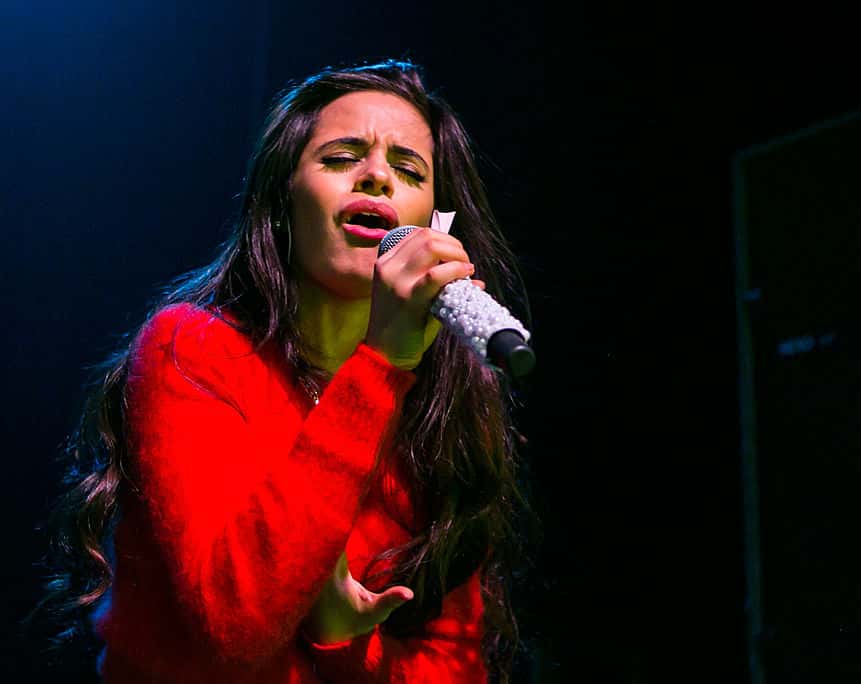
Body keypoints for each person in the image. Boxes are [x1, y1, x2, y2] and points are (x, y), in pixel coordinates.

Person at [32, 58, 536, 682]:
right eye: (341, 158)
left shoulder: (443, 416)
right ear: (282, 199)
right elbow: (233, 627)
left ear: (436, 224)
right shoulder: (192, 352)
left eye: (409, 171)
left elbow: (455, 666)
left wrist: (342, 643)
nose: (377, 175)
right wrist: (380, 366)